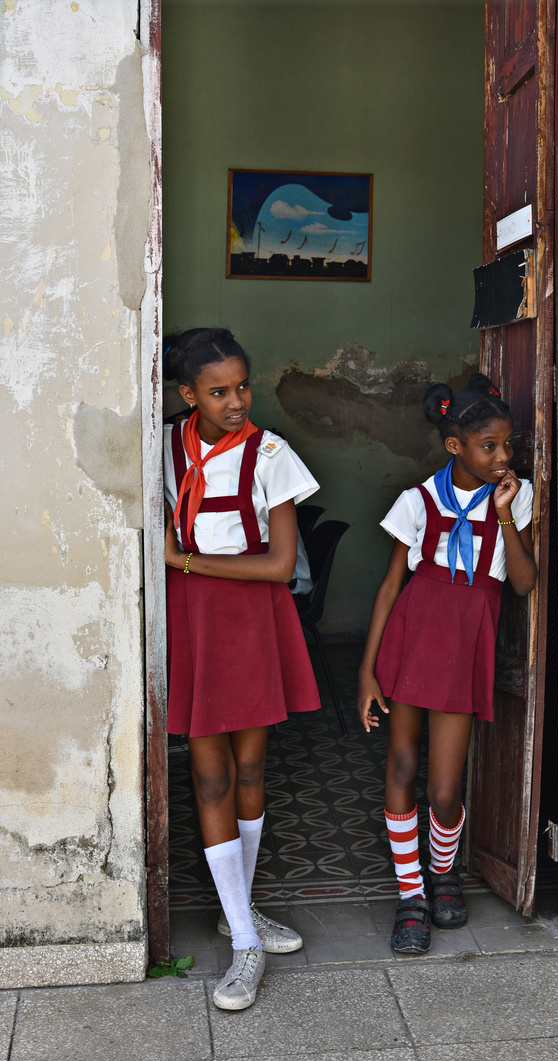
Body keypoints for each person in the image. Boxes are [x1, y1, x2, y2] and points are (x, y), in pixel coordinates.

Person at [163, 327, 321, 1010]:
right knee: (208, 771)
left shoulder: (271, 454)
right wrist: (184, 573)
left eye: (242, 387)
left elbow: (282, 565)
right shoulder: (164, 444)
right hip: (195, 620)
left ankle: (240, 916)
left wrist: (189, 562)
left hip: (252, 619)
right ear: (188, 394)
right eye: (218, 391)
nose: (236, 401)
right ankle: (245, 942)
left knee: (251, 769)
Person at [357, 373, 537, 953]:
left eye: (508, 445)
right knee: (402, 766)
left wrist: (506, 515)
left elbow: (524, 584)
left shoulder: (517, 494)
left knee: (442, 788)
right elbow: (389, 587)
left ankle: (444, 874)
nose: (503, 456)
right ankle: (411, 894)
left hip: (466, 641)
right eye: (490, 446)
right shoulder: (419, 500)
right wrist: (367, 672)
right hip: (414, 635)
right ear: (455, 445)